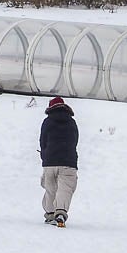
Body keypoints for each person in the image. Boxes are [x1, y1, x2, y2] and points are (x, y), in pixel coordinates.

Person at [39, 96, 78, 226]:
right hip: (68, 162)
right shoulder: (72, 122)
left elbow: (42, 141)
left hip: (50, 162)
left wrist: (44, 156)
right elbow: (74, 141)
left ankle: (50, 213)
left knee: (50, 188)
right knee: (65, 188)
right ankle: (60, 212)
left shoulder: (47, 122)